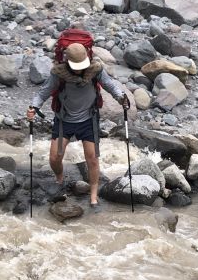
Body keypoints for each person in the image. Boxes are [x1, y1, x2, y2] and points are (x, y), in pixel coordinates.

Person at [27, 42, 130, 208]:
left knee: (93, 159)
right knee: (54, 157)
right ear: (67, 61)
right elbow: (43, 92)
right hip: (64, 120)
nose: (78, 69)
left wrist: (121, 97)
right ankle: (59, 177)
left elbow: (110, 85)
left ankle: (93, 196)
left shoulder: (95, 70)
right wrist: (33, 107)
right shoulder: (58, 73)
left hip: (88, 120)